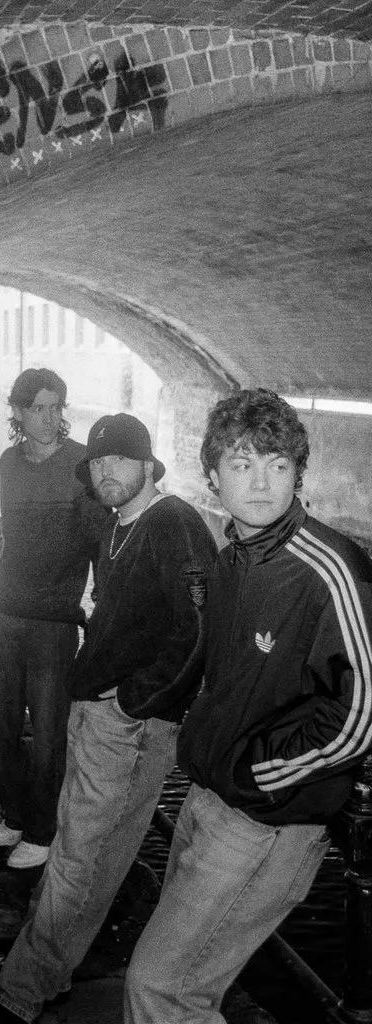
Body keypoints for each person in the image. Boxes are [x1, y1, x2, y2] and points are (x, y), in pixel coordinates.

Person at [125, 389, 372, 1023]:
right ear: (212, 474)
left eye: (277, 464)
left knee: (160, 988)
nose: (261, 483)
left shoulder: (331, 567)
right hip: (207, 798)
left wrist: (260, 770)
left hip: (265, 820)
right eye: (241, 464)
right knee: (184, 991)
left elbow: (359, 713)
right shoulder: (232, 557)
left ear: (298, 472)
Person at [0, 412, 217, 1023]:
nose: (106, 471)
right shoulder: (117, 525)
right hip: (99, 714)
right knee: (83, 850)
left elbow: (198, 628)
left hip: (129, 724)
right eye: (96, 463)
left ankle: (22, 990)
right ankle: (45, 970)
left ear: (148, 464)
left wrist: (134, 701)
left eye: (119, 459)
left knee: (80, 858)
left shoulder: (173, 524)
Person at [0, 368, 107, 869]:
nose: (50, 417)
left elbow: (100, 542)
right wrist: (0, 541)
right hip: (4, 609)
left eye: (57, 407)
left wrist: (103, 611)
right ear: (17, 411)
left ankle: (43, 829)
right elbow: (12, 524)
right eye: (38, 407)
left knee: (50, 731)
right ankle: (15, 814)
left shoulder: (81, 466)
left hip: (54, 619)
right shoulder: (9, 461)